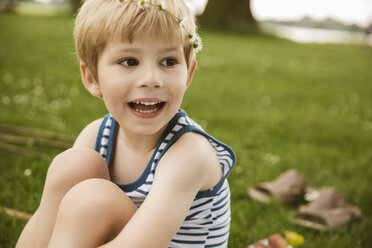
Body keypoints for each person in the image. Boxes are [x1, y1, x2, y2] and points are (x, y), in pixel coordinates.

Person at [16, 0, 236, 247]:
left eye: (169, 62)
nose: (152, 79)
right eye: (130, 61)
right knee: (72, 164)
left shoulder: (189, 154)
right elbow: (44, 224)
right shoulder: (96, 136)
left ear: (189, 74)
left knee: (94, 201)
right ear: (92, 77)